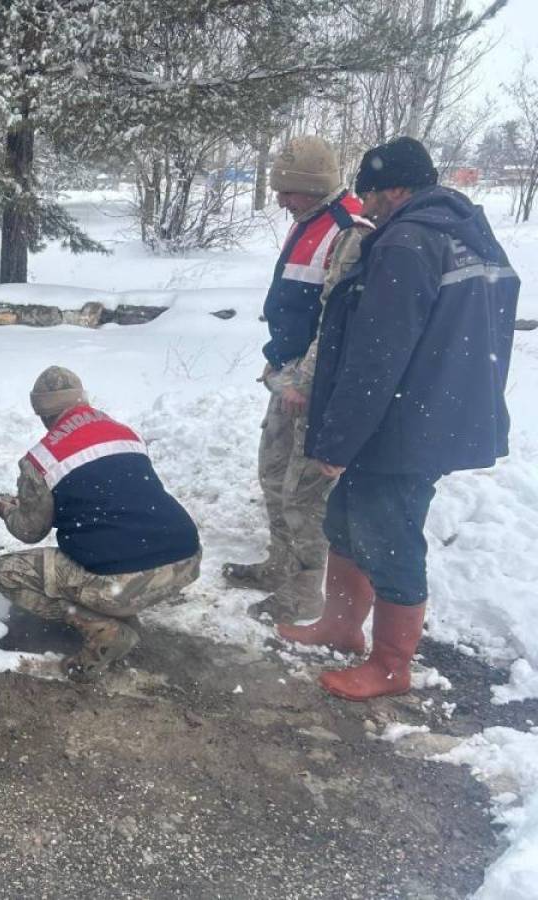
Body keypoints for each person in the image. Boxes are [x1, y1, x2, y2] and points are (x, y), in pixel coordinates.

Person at [279, 136, 520, 701]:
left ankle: (390, 666)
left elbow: (375, 355)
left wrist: (337, 439)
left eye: (370, 196)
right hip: (439, 412)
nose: (366, 210)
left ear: (394, 188)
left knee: (388, 534)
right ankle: (340, 627)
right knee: (345, 519)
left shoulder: (408, 242)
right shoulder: (470, 236)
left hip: (404, 422)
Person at [223, 136, 373, 621]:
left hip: (313, 386)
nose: (282, 201)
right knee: (272, 474)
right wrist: (277, 360)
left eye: (289, 191)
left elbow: (336, 323)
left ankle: (304, 592)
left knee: (302, 493)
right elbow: (296, 307)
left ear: (315, 187)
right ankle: (279, 565)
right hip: (288, 376)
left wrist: (304, 381)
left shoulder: (348, 230)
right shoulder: (310, 220)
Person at [0, 367, 202, 683]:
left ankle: (106, 627)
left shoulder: (42, 460)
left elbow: (29, 530)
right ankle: (122, 604)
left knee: (7, 572)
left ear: (42, 412)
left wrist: (10, 510)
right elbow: (113, 495)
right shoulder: (125, 433)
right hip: (184, 561)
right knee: (117, 540)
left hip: (124, 578)